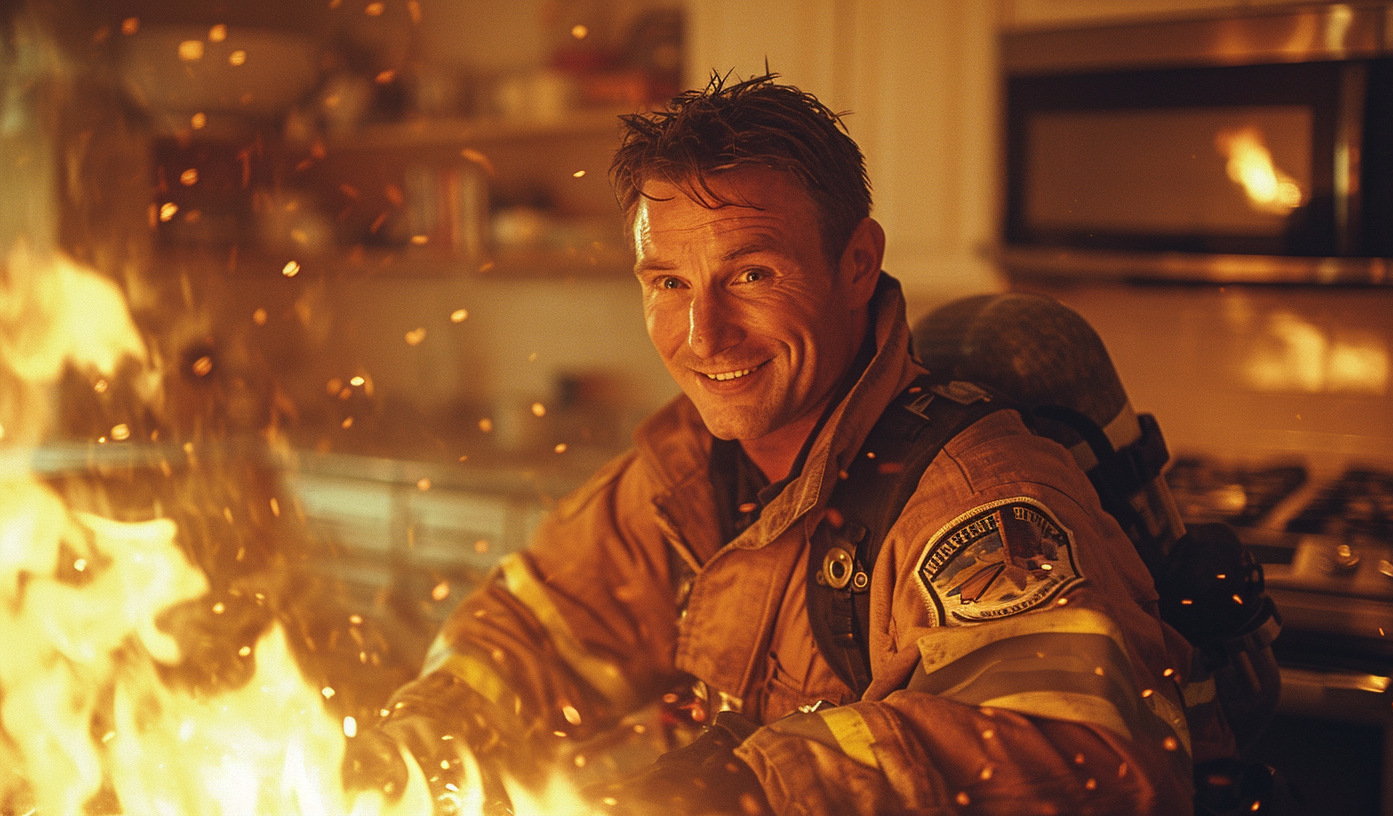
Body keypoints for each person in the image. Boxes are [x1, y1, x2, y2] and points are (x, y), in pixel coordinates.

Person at [348, 72, 1202, 816]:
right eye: (669, 283)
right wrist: (430, 731)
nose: (703, 334)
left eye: (750, 274)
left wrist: (757, 788)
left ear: (857, 263)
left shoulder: (972, 498)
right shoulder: (681, 476)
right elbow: (535, 629)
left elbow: (1088, 760)